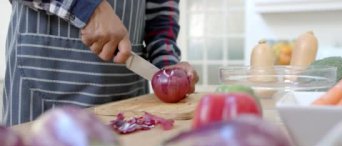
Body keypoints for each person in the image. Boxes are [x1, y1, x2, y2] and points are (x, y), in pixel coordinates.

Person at [3, 0, 198, 126]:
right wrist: (86, 7)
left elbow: (160, 15)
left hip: (128, 95)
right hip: (44, 82)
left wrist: (166, 65)